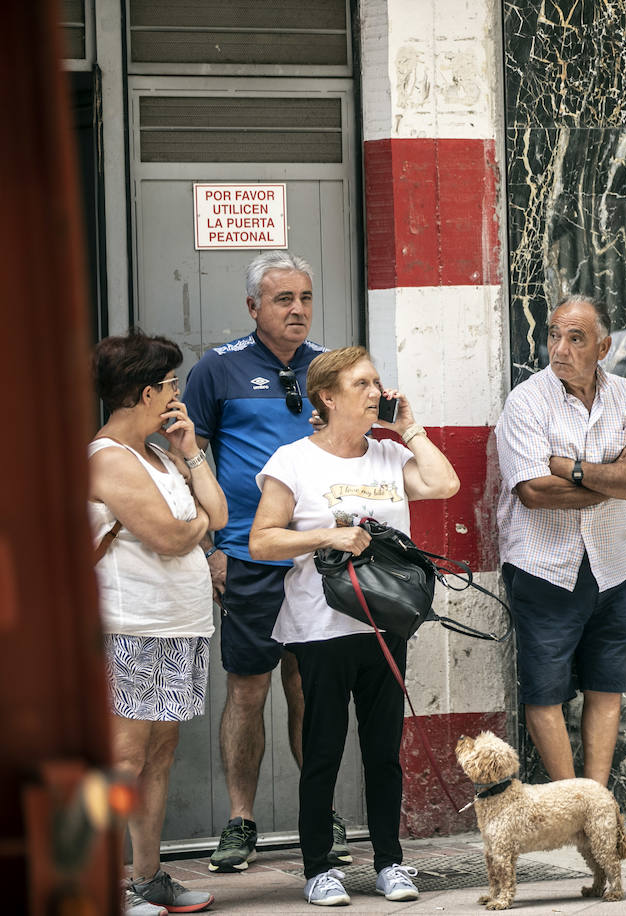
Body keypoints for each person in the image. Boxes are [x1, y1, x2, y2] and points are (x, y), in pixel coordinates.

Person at [249, 346, 460, 906]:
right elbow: (262, 539)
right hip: (319, 629)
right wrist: (327, 536)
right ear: (328, 395)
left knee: (383, 750)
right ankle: (319, 867)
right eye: (363, 384)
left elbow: (445, 485)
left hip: (383, 627)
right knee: (322, 750)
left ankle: (391, 862)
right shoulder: (293, 460)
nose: (376, 393)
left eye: (377, 384)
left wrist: (410, 430)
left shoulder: (389, 458)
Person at [181, 250, 335, 872]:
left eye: (304, 298)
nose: (297, 310)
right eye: (282, 300)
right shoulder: (216, 370)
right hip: (247, 555)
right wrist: (211, 549)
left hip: (315, 557)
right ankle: (241, 821)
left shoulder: (328, 365)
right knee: (248, 688)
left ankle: (318, 815)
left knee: (311, 688)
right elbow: (184, 458)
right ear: (253, 307)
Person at [494, 295, 626, 832]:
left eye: (576, 338)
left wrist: (569, 468)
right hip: (545, 566)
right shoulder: (527, 402)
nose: (559, 349)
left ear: (605, 347)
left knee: (606, 686)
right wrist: (609, 478)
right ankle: (570, 811)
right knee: (545, 693)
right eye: (553, 336)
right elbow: (533, 493)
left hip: (613, 566)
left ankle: (599, 807)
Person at [89, 330, 227, 916]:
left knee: (160, 750)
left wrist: (191, 449)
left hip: (177, 626)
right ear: (146, 392)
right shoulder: (107, 460)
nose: (176, 393)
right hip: (130, 625)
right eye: (170, 384)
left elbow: (218, 513)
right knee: (123, 757)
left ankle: (147, 878)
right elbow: (173, 537)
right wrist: (196, 520)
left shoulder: (163, 453)